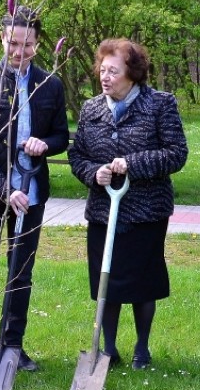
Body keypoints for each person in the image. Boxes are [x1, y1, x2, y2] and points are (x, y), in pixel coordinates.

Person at [0, 6, 69, 375]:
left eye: (29, 44)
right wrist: (5, 189)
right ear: (2, 39)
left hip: (32, 192)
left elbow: (61, 136)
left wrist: (45, 144)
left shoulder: (50, 84)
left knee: (20, 272)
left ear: (38, 44)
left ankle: (12, 347)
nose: (20, 51)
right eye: (13, 43)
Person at [68, 38, 188, 369]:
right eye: (102, 70)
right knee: (105, 278)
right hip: (103, 211)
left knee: (142, 280)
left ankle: (142, 347)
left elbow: (176, 153)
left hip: (146, 211)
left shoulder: (160, 104)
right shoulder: (91, 108)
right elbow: (77, 155)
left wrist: (131, 164)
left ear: (132, 73)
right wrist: (95, 173)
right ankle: (108, 348)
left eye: (113, 71)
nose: (105, 77)